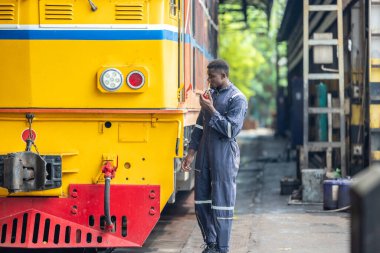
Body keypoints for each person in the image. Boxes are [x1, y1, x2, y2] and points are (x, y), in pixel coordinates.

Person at [182, 59, 248, 253]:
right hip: (204, 153)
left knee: (222, 203)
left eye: (212, 77)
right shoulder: (210, 95)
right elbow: (200, 127)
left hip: (224, 155)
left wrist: (211, 108)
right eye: (208, 76)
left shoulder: (237, 99)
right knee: (201, 201)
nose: (208, 80)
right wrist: (191, 153)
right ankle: (210, 244)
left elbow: (230, 130)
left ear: (224, 76)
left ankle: (222, 247)